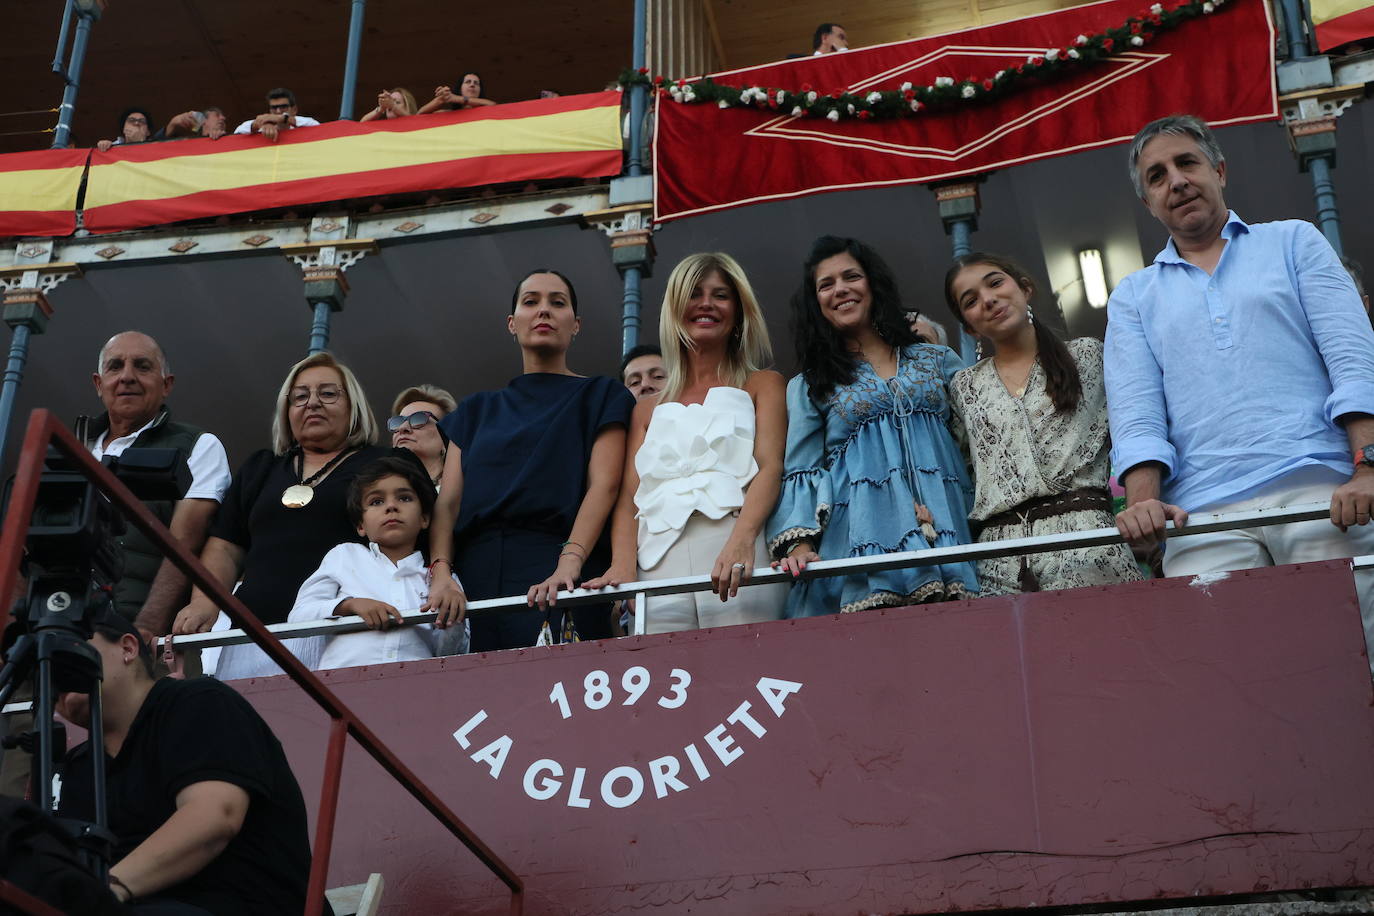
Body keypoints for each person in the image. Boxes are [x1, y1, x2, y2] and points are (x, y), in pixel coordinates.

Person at [1106, 114, 1374, 655]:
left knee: (1356, 669)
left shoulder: (1294, 241)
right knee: (1243, 691)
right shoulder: (1133, 296)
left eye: (1187, 163)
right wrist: (1142, 504)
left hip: (1323, 495)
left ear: (1219, 171)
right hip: (1203, 518)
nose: (1176, 181)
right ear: (1149, 203)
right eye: (1157, 176)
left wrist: (1367, 468)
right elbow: (1137, 414)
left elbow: (1353, 361)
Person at [55, 608, 317, 914]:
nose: (56, 668)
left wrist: (105, 891)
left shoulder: (198, 702)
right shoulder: (73, 767)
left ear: (128, 647)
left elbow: (215, 817)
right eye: (44, 665)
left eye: (71, 647)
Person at [768, 236, 979, 614]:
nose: (841, 290)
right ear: (815, 302)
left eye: (851, 276)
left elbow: (978, 444)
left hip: (950, 524)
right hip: (858, 542)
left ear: (873, 283)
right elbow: (801, 470)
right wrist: (800, 545)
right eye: (826, 284)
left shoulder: (938, 359)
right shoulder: (811, 384)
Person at [426, 270, 633, 650]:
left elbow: (606, 485)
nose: (544, 311)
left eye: (558, 303)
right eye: (531, 302)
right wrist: (440, 573)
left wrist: (569, 562)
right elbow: (448, 502)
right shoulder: (476, 409)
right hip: (473, 578)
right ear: (512, 323)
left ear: (576, 324)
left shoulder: (603, 394)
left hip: (559, 564)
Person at [585, 254, 788, 632]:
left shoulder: (764, 383)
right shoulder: (645, 409)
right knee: (666, 681)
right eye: (694, 293)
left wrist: (743, 540)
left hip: (737, 546)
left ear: (739, 311)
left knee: (749, 673)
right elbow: (631, 495)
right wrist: (624, 565)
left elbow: (771, 466)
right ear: (676, 308)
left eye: (720, 295)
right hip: (657, 562)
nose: (706, 304)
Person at [171, 352, 386, 679]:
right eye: (300, 396)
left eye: (328, 393)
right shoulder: (261, 468)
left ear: (353, 406)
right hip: (252, 636)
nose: (312, 403)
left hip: (344, 633)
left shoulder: (381, 466)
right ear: (287, 412)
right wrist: (204, 603)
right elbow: (225, 547)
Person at [945, 253, 1142, 594]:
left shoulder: (1087, 356)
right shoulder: (964, 387)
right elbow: (961, 471)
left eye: (995, 283)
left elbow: (1136, 429)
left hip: (1089, 543)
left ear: (1025, 288)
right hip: (999, 564)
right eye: (971, 301)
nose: (988, 300)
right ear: (968, 326)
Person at [77, 332, 232, 642]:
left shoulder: (198, 446)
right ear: (98, 383)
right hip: (58, 629)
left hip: (132, 636)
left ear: (167, 385)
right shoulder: (68, 450)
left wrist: (146, 627)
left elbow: (184, 542)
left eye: (143, 366)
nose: (127, 377)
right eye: (115, 366)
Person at [288, 454, 465, 669]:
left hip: (417, 689)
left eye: (404, 498)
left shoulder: (441, 580)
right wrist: (349, 606)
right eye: (376, 501)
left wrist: (453, 618)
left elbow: (450, 654)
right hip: (342, 689)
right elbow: (298, 618)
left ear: (424, 518)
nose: (391, 506)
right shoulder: (344, 556)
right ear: (361, 525)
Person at [389, 384, 457, 488]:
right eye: (398, 421)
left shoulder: (467, 491)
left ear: (446, 437)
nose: (402, 428)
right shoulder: (376, 491)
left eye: (418, 419)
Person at [233, 88, 321, 141]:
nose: (278, 111)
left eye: (283, 107)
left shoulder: (306, 124)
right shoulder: (262, 125)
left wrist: (284, 119)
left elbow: (318, 127)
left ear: (294, 109)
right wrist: (262, 123)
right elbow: (237, 133)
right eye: (274, 108)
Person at [417, 72, 497, 114]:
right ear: (460, 89)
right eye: (468, 82)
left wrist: (456, 98)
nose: (472, 84)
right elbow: (420, 115)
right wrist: (441, 99)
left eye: (476, 83)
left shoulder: (487, 109)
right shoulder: (449, 114)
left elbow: (493, 105)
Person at [163, 107, 228, 140]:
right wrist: (171, 126)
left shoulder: (232, 139)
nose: (223, 118)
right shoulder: (188, 143)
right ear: (203, 120)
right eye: (217, 115)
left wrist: (224, 139)